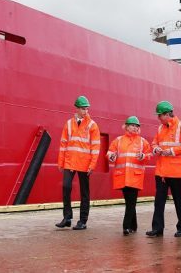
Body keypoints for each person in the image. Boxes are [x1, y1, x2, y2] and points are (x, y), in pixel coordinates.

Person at [146, 101, 181, 238]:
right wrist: (156, 148)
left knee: (179, 201)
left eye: (160, 115)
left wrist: (171, 151)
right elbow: (154, 142)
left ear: (168, 114)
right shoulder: (161, 128)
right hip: (161, 172)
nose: (158, 118)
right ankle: (157, 228)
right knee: (159, 202)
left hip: (177, 173)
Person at [56, 95, 100, 230]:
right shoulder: (69, 124)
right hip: (70, 162)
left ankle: (83, 221)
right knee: (66, 187)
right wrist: (61, 162)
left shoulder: (92, 125)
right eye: (82, 108)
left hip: (85, 164)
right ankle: (67, 217)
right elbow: (63, 144)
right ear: (76, 109)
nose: (85, 111)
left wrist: (92, 165)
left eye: (86, 109)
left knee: (84, 192)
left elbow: (95, 146)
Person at [107, 116, 152, 235]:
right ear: (126, 126)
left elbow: (149, 154)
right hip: (122, 176)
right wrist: (111, 156)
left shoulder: (142, 141)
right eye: (132, 125)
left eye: (137, 126)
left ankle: (126, 226)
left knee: (131, 202)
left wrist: (143, 156)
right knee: (129, 202)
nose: (135, 128)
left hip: (135, 176)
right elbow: (110, 152)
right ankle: (134, 225)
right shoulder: (119, 140)